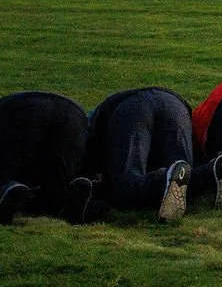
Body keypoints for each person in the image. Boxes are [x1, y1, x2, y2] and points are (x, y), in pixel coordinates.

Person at [70, 86, 205, 223]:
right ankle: (213, 172)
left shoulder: (88, 131)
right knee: (185, 180)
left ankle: (164, 180)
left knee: (126, 185)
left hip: (131, 108)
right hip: (175, 105)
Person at [0, 90, 89, 223]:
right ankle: (66, 199)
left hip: (18, 107)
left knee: (7, 169)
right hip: (73, 113)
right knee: (59, 180)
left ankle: (8, 189)